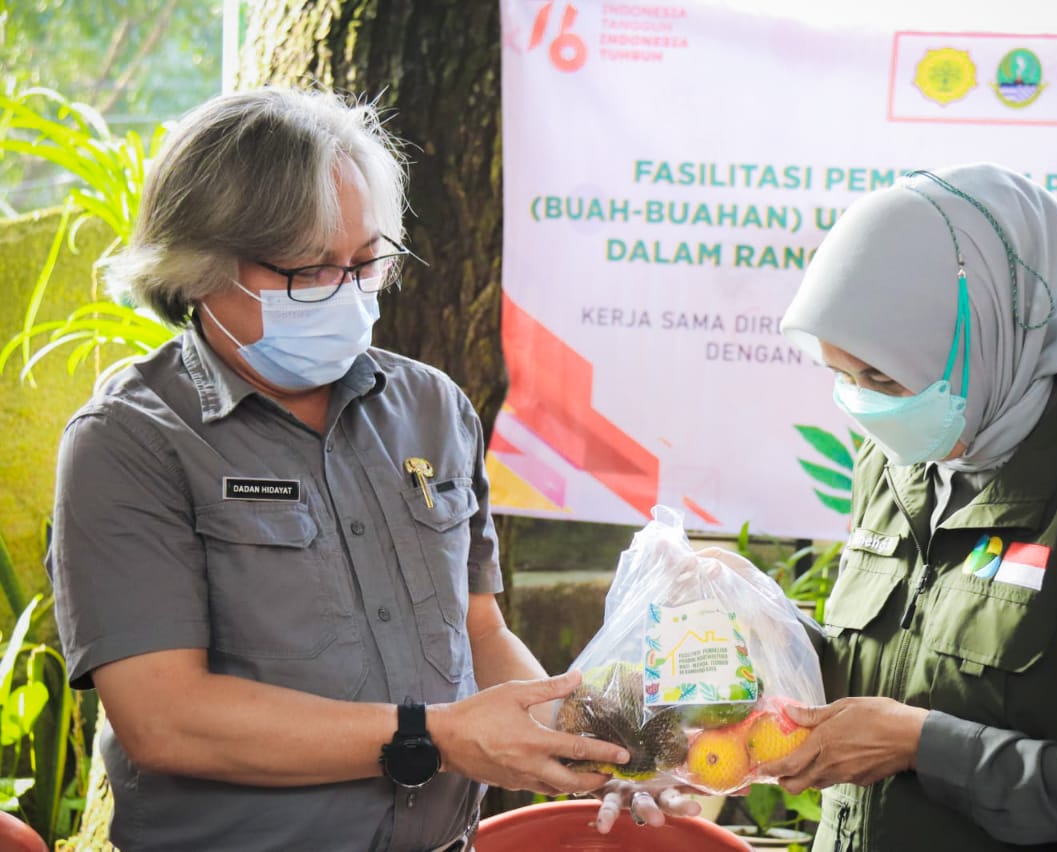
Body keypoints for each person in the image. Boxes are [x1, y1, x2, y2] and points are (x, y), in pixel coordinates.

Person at [44, 87, 637, 852]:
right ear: (197, 270)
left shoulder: (430, 407)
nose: (347, 295)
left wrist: (592, 744)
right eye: (308, 272)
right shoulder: (131, 441)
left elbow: (478, 629)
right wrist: (438, 736)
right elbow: (166, 719)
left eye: (365, 263)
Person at [758, 163, 1057, 852]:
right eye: (843, 376)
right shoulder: (897, 459)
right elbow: (892, 663)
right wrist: (761, 629)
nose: (869, 408)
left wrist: (925, 745)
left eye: (885, 376)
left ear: (988, 331)